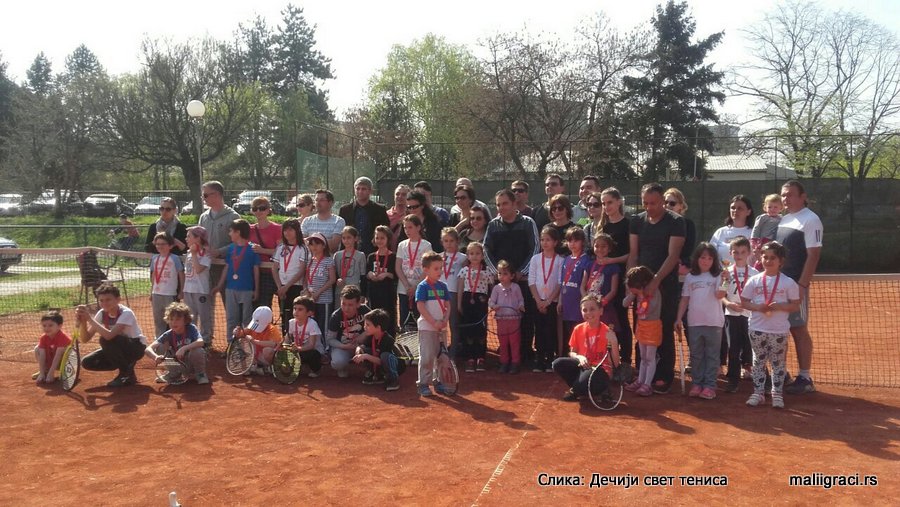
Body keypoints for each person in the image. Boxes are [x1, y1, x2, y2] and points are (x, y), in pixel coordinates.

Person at [627, 183, 686, 394]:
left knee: (663, 329)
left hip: (665, 287)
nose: (649, 207)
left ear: (662, 200)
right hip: (640, 289)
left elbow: (673, 256)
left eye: (653, 203)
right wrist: (632, 284)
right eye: (645, 203)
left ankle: (662, 376)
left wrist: (656, 281)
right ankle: (642, 374)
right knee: (641, 328)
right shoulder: (636, 221)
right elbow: (633, 254)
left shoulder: (676, 222)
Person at [776, 180, 823, 395]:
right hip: (778, 284)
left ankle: (804, 377)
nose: (786, 199)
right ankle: (781, 373)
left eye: (790, 195)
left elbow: (813, 256)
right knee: (778, 329)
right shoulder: (784, 219)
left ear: (803, 196)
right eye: (784, 195)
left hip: (795, 285)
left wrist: (802, 285)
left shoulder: (811, 219)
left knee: (798, 328)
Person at [740, 241, 801, 408]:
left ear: (780, 261)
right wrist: (758, 307)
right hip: (757, 329)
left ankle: (777, 394)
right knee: (758, 362)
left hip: (779, 330)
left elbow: (795, 304)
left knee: (778, 363)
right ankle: (758, 393)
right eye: (765, 257)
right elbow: (744, 302)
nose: (768, 261)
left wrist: (780, 306)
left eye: (772, 258)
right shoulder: (754, 280)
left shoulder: (788, 282)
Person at [484, 189, 540, 366]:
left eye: (504, 203)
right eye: (498, 204)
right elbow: (486, 250)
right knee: (503, 317)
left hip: (523, 281)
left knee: (526, 317)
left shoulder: (527, 222)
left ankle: (525, 353)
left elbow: (535, 248)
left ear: (514, 204)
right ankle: (506, 354)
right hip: (501, 284)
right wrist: (499, 275)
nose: (500, 207)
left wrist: (521, 272)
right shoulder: (493, 225)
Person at [675, 243, 728, 400]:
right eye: (703, 257)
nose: (706, 261)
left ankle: (710, 386)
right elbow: (684, 299)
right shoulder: (690, 277)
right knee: (696, 355)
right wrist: (678, 318)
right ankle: (697, 384)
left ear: (714, 260)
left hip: (714, 322)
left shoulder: (718, 276)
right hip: (694, 322)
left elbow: (720, 295)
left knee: (712, 355)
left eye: (710, 258)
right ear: (697, 259)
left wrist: (725, 281)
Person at [77, 283, 148, 387]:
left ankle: (126, 374)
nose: (104, 303)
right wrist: (83, 321)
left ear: (118, 300)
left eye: (108, 299)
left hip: (136, 348)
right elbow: (85, 338)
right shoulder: (102, 313)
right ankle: (125, 367)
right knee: (87, 362)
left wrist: (89, 319)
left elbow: (109, 336)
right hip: (120, 348)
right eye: (101, 300)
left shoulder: (126, 313)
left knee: (105, 340)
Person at [552, 295, 620, 402]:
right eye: (585, 310)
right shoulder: (578, 329)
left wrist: (614, 342)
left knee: (584, 381)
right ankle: (580, 388)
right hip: (584, 366)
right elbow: (572, 353)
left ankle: (581, 389)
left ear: (601, 311)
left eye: (592, 309)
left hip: (601, 370)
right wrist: (580, 357)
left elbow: (615, 364)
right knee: (557, 363)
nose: (588, 313)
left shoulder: (607, 332)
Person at [593, 188, 632, 368]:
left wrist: (611, 260)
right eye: (603, 203)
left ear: (619, 202)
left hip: (621, 278)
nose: (606, 206)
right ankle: (605, 358)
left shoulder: (628, 225)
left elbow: (632, 254)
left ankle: (625, 360)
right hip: (602, 282)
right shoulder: (602, 226)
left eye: (609, 202)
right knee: (603, 319)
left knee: (621, 319)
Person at [198, 181, 241, 335]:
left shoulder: (233, 216)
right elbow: (200, 239)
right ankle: (206, 338)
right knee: (205, 304)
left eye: (205, 195)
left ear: (216, 195)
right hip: (206, 267)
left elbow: (239, 242)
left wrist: (220, 251)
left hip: (226, 268)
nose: (203, 198)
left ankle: (233, 340)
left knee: (229, 305)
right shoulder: (204, 216)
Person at [212, 219, 261, 345]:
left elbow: (256, 270)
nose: (229, 234)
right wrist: (219, 285)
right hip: (230, 288)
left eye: (231, 231)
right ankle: (231, 345)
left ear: (238, 232)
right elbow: (227, 267)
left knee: (247, 319)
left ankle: (247, 345)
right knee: (231, 318)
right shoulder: (231, 248)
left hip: (247, 288)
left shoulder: (252, 249)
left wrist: (256, 289)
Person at [722, 236, 758, 393]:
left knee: (753, 346)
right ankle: (733, 379)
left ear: (749, 253)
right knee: (733, 347)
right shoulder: (726, 273)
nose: (739, 255)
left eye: (743, 252)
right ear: (730, 253)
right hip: (731, 314)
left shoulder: (755, 273)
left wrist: (750, 305)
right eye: (735, 252)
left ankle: (759, 378)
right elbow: (721, 294)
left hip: (750, 315)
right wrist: (728, 303)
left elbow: (758, 294)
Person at [415, 251, 453, 397]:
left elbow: (448, 305)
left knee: (441, 358)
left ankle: (438, 382)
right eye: (436, 269)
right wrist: (433, 322)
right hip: (427, 328)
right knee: (427, 356)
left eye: (440, 268)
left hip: (441, 328)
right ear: (426, 269)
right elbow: (421, 306)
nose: (439, 271)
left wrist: (444, 321)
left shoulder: (443, 286)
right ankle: (423, 384)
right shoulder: (422, 287)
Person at [145, 302, 209, 384]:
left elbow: (201, 342)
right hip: (178, 364)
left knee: (198, 350)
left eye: (178, 319)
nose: (173, 322)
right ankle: (174, 374)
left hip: (191, 363)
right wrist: (156, 357)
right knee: (160, 346)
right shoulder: (168, 334)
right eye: (171, 319)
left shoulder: (191, 328)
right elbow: (148, 349)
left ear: (185, 320)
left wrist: (183, 348)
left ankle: (200, 374)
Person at [622, 266, 662, 397]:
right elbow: (624, 304)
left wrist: (641, 295)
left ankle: (647, 384)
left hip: (652, 327)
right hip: (641, 327)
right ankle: (640, 380)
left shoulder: (654, 292)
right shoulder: (636, 293)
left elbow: (650, 310)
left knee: (650, 358)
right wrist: (633, 294)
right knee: (643, 357)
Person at [528, 226, 563, 372]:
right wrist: (538, 301)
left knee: (550, 330)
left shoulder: (560, 260)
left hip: (551, 302)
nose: (544, 243)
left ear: (555, 242)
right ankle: (539, 358)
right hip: (538, 302)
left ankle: (550, 358)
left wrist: (548, 301)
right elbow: (532, 280)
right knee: (539, 330)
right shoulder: (535, 259)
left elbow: (560, 283)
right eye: (542, 239)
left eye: (548, 240)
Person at [457, 242, 491, 372]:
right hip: (467, 300)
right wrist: (459, 303)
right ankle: (470, 359)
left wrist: (488, 300)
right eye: (471, 253)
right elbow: (460, 288)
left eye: (477, 253)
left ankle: (480, 357)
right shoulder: (464, 270)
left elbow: (491, 287)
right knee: (469, 330)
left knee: (480, 329)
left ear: (482, 255)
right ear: (467, 256)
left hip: (481, 301)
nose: (475, 256)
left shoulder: (487, 271)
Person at [558, 227, 591, 356]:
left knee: (581, 333)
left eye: (576, 240)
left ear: (582, 242)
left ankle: (582, 359)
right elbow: (562, 283)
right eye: (570, 240)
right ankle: (572, 359)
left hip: (579, 305)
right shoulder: (566, 259)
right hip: (567, 304)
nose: (573, 243)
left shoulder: (586, 260)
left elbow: (585, 284)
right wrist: (560, 301)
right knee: (569, 334)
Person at [327, 285, 372, 378]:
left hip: (361, 346)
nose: (346, 308)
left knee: (376, 350)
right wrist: (343, 346)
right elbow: (330, 339)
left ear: (358, 303)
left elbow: (376, 329)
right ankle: (343, 366)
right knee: (337, 362)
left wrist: (364, 335)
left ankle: (371, 369)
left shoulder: (365, 310)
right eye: (343, 304)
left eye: (350, 305)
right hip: (343, 347)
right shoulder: (336, 316)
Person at [396, 215, 433, 327]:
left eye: (410, 227)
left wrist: (416, 286)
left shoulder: (426, 245)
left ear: (418, 227)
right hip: (404, 288)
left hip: (420, 288)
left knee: (420, 319)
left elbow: (428, 268)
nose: (407, 230)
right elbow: (398, 267)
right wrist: (407, 286)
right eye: (405, 227)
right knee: (404, 320)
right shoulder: (402, 245)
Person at [338, 176, 390, 258]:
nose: (360, 191)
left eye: (363, 189)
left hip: (373, 251)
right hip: (350, 252)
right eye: (357, 189)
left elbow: (386, 230)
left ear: (370, 191)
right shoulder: (345, 210)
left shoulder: (379, 209)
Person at [272, 218, 308, 335]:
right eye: (285, 230)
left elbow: (302, 270)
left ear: (297, 231)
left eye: (291, 230)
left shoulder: (302, 248)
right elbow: (274, 268)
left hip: (295, 287)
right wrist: (280, 287)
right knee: (284, 313)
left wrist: (286, 286)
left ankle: (296, 339)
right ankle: (285, 339)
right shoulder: (281, 247)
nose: (287, 233)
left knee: (296, 314)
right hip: (282, 288)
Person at [355, 308, 405, 391]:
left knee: (385, 356)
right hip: (382, 361)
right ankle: (377, 375)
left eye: (368, 325)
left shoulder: (387, 339)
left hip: (395, 365)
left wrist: (365, 356)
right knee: (363, 350)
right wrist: (358, 349)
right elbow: (363, 346)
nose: (364, 327)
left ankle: (393, 379)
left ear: (378, 327)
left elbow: (381, 361)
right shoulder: (371, 335)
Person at [490, 260, 525, 374]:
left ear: (512, 276)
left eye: (505, 274)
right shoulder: (496, 288)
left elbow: (520, 300)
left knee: (514, 342)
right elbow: (491, 302)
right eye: (500, 273)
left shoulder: (516, 287)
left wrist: (521, 306)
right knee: (503, 343)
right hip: (501, 320)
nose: (502, 276)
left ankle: (515, 363)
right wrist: (494, 306)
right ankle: (504, 362)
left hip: (514, 319)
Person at [581, 233, 621, 333]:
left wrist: (601, 303)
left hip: (605, 308)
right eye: (597, 246)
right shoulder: (589, 264)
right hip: (590, 307)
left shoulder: (613, 267)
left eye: (603, 246)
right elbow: (582, 286)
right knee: (590, 332)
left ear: (610, 249)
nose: (600, 249)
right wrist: (586, 301)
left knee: (606, 333)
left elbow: (613, 290)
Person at [249, 195, 282, 310]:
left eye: (262, 208)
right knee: (261, 307)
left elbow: (282, 252)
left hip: (275, 272)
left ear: (268, 210)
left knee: (282, 305)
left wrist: (262, 250)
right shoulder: (249, 229)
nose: (258, 211)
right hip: (257, 274)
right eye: (255, 208)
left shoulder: (277, 229)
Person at [150, 232, 185, 339]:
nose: (160, 246)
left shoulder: (174, 258)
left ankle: (174, 343)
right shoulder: (154, 258)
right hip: (156, 294)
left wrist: (181, 291)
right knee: (158, 321)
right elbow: (153, 275)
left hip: (170, 294)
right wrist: (151, 291)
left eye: (163, 244)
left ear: (170, 245)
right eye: (157, 244)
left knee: (172, 320)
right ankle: (160, 345)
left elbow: (181, 274)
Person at [183, 226, 213, 347]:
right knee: (190, 316)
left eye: (189, 236)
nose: (186, 239)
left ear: (198, 238)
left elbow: (199, 269)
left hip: (201, 290)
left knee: (204, 316)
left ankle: (205, 341)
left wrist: (195, 254)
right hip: (188, 289)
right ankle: (192, 339)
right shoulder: (190, 253)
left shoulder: (206, 254)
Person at [232, 306, 281, 376]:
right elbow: (241, 334)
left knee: (267, 350)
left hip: (266, 357)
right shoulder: (252, 326)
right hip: (256, 356)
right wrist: (236, 332)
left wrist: (254, 341)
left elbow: (274, 344)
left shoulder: (272, 329)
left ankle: (271, 367)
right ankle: (252, 366)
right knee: (242, 341)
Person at [304, 232, 337, 335]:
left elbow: (332, 279)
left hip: (324, 299)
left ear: (323, 245)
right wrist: (307, 292)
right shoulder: (310, 261)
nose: (314, 247)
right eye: (311, 244)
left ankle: (326, 347)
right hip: (312, 299)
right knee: (314, 324)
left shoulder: (328, 260)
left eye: (317, 244)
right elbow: (306, 278)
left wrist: (318, 292)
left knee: (324, 325)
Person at [366, 225, 398, 332]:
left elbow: (395, 275)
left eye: (382, 238)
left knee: (389, 316)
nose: (379, 240)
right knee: (374, 316)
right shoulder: (371, 256)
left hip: (387, 292)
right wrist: (370, 274)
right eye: (377, 238)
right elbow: (367, 272)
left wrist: (386, 274)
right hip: (374, 292)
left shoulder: (393, 256)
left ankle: (389, 340)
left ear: (388, 239)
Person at [440, 228, 467, 352]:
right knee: (439, 323)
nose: (449, 243)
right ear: (442, 242)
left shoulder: (463, 258)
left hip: (454, 293)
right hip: (438, 293)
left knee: (454, 324)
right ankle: (441, 350)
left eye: (451, 241)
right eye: (446, 241)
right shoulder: (438, 257)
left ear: (457, 241)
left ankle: (453, 353)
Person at [285, 295, 324, 378]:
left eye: (300, 309)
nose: (296, 312)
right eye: (295, 309)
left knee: (313, 354)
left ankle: (316, 370)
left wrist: (298, 349)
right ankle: (300, 366)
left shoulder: (312, 324)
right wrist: (284, 346)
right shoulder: (291, 322)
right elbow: (287, 338)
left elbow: (311, 345)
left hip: (312, 351)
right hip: (298, 350)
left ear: (309, 313)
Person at [710, 195, 754, 265]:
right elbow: (710, 255)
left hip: (748, 275)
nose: (735, 210)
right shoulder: (720, 232)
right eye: (733, 208)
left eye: (740, 208)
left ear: (748, 212)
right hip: (722, 274)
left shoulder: (753, 233)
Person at [664, 187, 696, 279]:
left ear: (681, 206)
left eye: (672, 203)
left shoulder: (688, 224)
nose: (668, 205)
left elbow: (688, 248)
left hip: (681, 267)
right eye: (665, 202)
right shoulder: (658, 223)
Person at [302, 189, 346, 255]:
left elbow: (333, 246)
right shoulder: (307, 221)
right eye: (316, 200)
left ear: (331, 203)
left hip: (328, 263)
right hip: (309, 263)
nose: (318, 203)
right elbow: (301, 244)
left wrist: (310, 241)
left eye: (322, 200)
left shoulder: (338, 221)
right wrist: (324, 242)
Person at [33, 311, 72, 384]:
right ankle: (44, 371)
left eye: (50, 325)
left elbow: (58, 355)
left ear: (59, 326)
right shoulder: (43, 338)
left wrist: (51, 373)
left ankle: (65, 372)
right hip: (51, 360)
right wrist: (42, 373)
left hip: (62, 363)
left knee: (68, 350)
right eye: (44, 326)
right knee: (37, 349)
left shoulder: (63, 337)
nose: (47, 328)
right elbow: (42, 354)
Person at [750, 193, 784, 270]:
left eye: (775, 207)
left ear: (781, 208)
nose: (772, 209)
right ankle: (757, 270)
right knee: (762, 258)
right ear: (765, 208)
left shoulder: (782, 218)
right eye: (770, 207)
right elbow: (756, 229)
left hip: (775, 242)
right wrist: (754, 242)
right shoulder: (763, 218)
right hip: (764, 241)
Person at [334, 226, 367, 294]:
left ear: (355, 238)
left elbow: (363, 276)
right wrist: (337, 279)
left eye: (349, 238)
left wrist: (363, 294)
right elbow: (334, 274)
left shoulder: (360, 255)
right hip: (340, 290)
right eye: (344, 238)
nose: (346, 240)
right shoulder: (337, 255)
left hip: (355, 290)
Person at [387, 184, 411, 252]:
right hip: (389, 255)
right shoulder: (386, 215)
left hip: (407, 253)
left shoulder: (412, 215)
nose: (400, 196)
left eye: (404, 194)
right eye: (397, 194)